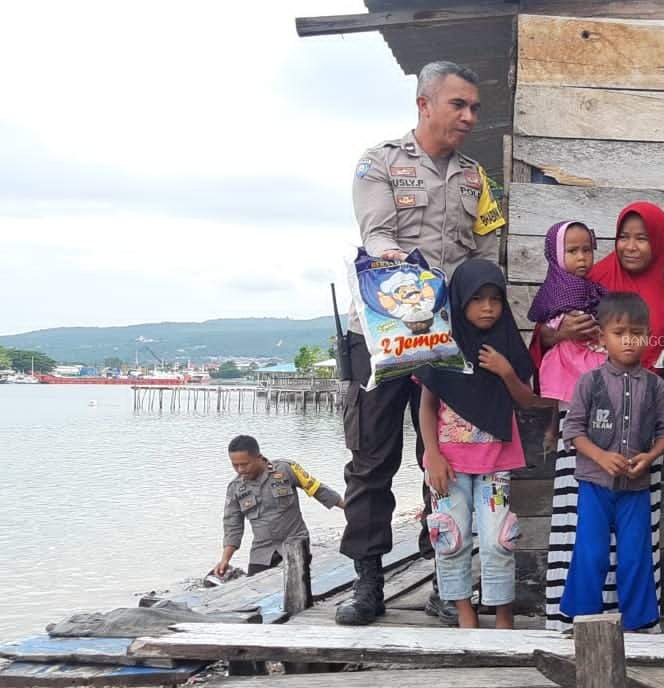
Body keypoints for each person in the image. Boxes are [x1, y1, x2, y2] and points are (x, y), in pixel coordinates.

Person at [339, 60, 507, 626]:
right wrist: (400, 265)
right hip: (382, 336)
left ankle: (445, 580)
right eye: (458, 104)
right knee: (371, 459)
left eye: (474, 107)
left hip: (449, 341)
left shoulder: (477, 179)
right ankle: (367, 582)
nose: (469, 116)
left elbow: (486, 253)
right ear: (424, 104)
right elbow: (377, 235)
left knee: (445, 460)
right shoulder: (379, 163)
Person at [537, 202, 664, 631]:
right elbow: (547, 336)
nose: (631, 246)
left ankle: (638, 624)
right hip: (589, 438)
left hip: (642, 433)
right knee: (583, 535)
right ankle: (577, 621)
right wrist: (558, 333)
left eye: (643, 237)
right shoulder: (589, 280)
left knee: (636, 544)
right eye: (624, 237)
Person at [413, 259, 545, 629]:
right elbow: (426, 406)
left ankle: (503, 616)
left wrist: (506, 371)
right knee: (450, 537)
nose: (487, 307)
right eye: (476, 299)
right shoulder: (442, 347)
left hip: (495, 462)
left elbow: (527, 400)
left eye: (495, 299)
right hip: (449, 465)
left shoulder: (508, 345)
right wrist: (432, 455)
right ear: (459, 300)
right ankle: (464, 614)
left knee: (498, 541)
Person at [559, 292, 664, 631]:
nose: (628, 340)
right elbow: (573, 431)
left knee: (634, 555)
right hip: (594, 485)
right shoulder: (590, 381)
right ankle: (584, 621)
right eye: (619, 332)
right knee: (591, 552)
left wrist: (650, 456)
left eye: (637, 333)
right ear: (602, 337)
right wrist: (600, 456)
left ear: (648, 337)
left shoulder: (655, 385)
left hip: (636, 487)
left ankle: (637, 625)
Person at [526, 220, 608, 451]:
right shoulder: (559, 290)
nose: (582, 258)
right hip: (571, 363)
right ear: (556, 254)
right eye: (572, 251)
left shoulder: (589, 287)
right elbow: (548, 323)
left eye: (587, 250)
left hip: (590, 362)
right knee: (574, 423)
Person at [217, 435, 344, 577]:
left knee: (297, 582)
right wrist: (225, 559)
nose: (240, 470)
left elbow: (318, 490)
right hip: (262, 551)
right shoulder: (235, 488)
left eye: (245, 464)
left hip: (295, 543)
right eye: (235, 465)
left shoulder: (286, 469)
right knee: (254, 585)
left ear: (259, 457)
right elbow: (232, 526)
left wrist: (351, 507)